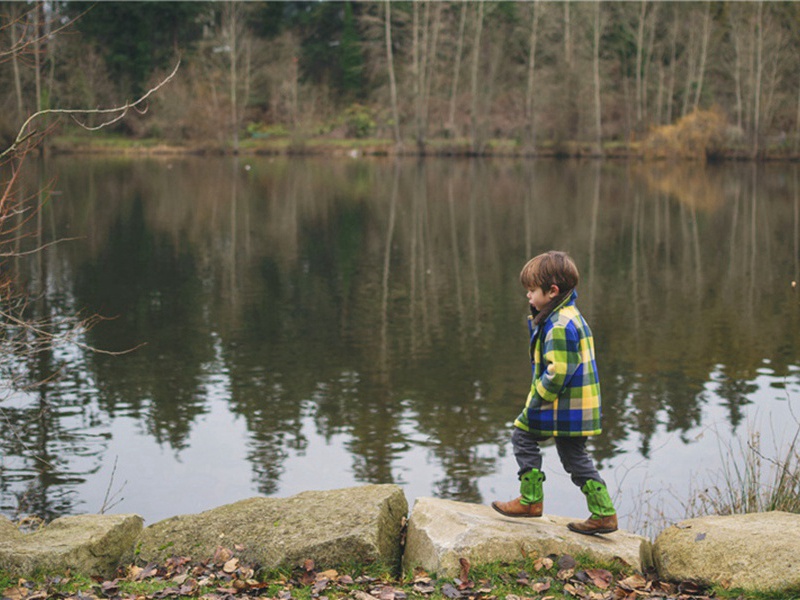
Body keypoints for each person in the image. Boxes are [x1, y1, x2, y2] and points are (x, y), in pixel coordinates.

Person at [491, 250, 617, 535]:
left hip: (561, 403)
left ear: (552, 291)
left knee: (522, 435)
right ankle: (604, 512)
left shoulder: (559, 325)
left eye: (532, 291)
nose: (528, 296)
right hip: (577, 405)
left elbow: (558, 371)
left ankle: (531, 500)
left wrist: (537, 399)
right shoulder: (567, 315)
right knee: (574, 456)